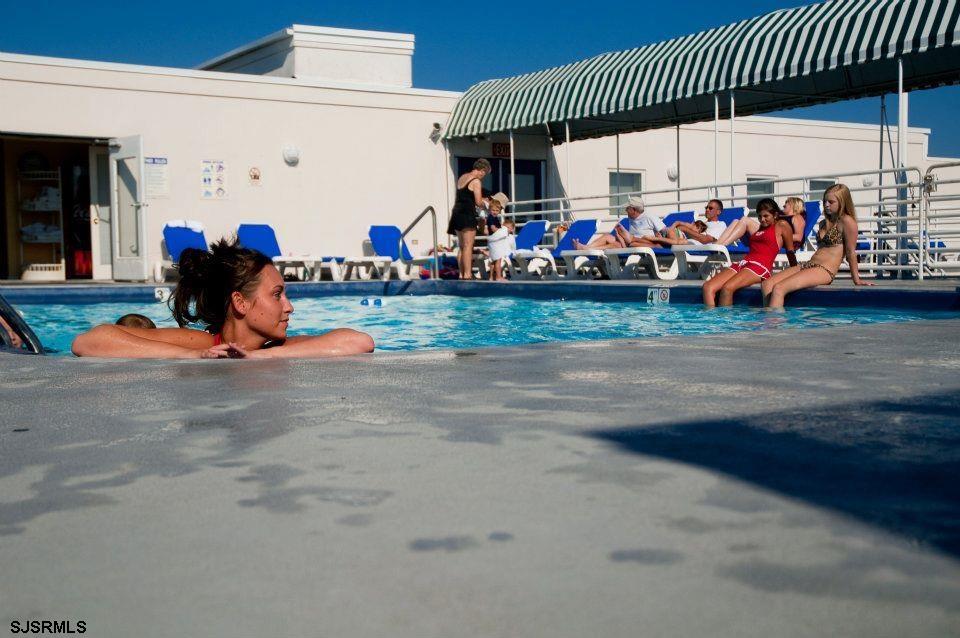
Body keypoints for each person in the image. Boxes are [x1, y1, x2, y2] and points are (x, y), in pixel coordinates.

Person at [72, 238, 375, 359]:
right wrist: (190, 357)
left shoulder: (278, 348)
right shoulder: (202, 344)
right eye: (277, 295)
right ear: (240, 303)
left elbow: (360, 342)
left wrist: (260, 358)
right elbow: (88, 341)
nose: (289, 306)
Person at [762, 184, 874, 308]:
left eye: (831, 202)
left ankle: (773, 320)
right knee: (767, 284)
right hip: (809, 265)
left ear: (842, 202)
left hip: (824, 270)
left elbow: (851, 252)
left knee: (779, 288)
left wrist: (856, 280)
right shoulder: (823, 223)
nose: (826, 205)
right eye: (825, 201)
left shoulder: (847, 221)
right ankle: (769, 316)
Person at [702, 198, 797, 308]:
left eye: (766, 216)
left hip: (760, 267)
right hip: (744, 263)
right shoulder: (759, 228)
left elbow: (790, 251)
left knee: (727, 288)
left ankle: (724, 319)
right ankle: (711, 318)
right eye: (760, 216)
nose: (762, 219)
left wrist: (795, 272)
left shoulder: (781, 225)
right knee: (707, 287)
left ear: (775, 215)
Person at [447, 159, 491, 279]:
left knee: (462, 246)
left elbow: (465, 195)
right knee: (468, 246)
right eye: (484, 173)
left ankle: (461, 274)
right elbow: (478, 202)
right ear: (482, 170)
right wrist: (486, 203)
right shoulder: (476, 181)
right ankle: (467, 274)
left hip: (457, 213)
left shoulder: (462, 177)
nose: (483, 176)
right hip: (467, 214)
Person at [573, 196, 666, 250]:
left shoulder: (650, 217)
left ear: (634, 210)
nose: (626, 210)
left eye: (627, 208)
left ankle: (588, 249)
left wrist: (659, 238)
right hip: (631, 242)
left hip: (643, 245)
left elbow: (665, 231)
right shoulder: (631, 219)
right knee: (607, 236)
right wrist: (621, 236)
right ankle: (586, 247)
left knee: (616, 245)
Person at [487, 216, 517, 281]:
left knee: (496, 259)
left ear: (512, 229)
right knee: (492, 258)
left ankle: (496, 276)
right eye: (504, 227)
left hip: (506, 254)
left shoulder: (511, 237)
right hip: (499, 253)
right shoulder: (500, 236)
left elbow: (513, 248)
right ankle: (491, 277)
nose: (506, 229)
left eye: (508, 228)